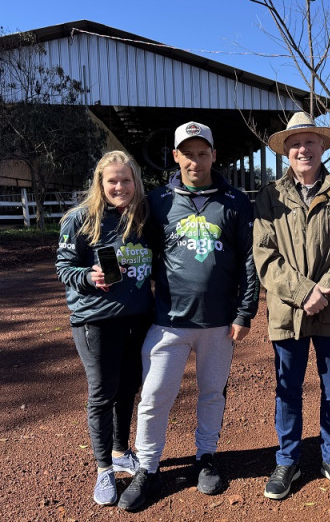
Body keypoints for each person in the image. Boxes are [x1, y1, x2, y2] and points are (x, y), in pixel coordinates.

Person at [117, 121, 259, 512]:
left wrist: (246, 311)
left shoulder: (235, 201)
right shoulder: (159, 201)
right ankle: (147, 467)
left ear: (213, 155)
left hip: (219, 322)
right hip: (169, 321)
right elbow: (135, 249)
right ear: (176, 156)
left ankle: (206, 457)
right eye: (187, 153)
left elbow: (250, 261)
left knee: (213, 393)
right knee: (154, 396)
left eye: (203, 153)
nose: (195, 160)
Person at [253, 112, 330, 500]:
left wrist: (324, 290)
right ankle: (287, 460)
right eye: (295, 144)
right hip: (288, 311)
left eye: (310, 142)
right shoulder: (270, 196)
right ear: (286, 151)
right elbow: (265, 255)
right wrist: (303, 292)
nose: (303, 149)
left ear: (323, 146)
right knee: (287, 388)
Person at [56, 150, 153, 506]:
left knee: (128, 387)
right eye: (112, 180)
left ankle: (120, 451)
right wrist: (88, 276)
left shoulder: (141, 216)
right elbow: (64, 267)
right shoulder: (80, 219)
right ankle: (103, 471)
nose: (119, 186)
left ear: (135, 182)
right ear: (100, 182)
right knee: (102, 393)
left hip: (138, 318)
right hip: (95, 321)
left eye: (126, 180)